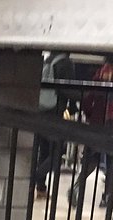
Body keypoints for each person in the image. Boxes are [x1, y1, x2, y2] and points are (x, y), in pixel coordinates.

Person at [70, 59, 113, 210]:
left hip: (96, 126)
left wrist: (92, 117)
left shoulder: (98, 77)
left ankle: (76, 187)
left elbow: (86, 102)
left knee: (91, 159)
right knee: (112, 164)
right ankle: (107, 198)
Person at [34, 52, 78, 200]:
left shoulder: (48, 60)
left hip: (42, 109)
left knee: (44, 150)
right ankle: (35, 177)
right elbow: (68, 89)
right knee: (58, 150)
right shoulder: (66, 63)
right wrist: (80, 99)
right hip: (55, 111)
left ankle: (41, 188)